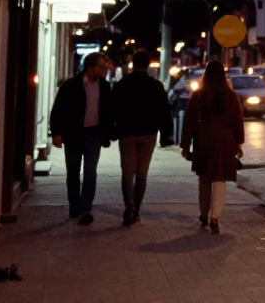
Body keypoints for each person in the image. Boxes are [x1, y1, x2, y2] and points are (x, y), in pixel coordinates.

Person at [110, 49, 173, 226]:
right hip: (148, 133)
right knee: (142, 173)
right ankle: (136, 209)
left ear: (133, 63)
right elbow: (164, 111)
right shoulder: (156, 86)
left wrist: (111, 131)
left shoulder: (122, 84)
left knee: (127, 172)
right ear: (148, 65)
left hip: (127, 133)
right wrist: (166, 134)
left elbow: (112, 109)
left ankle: (128, 205)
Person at [181, 59, 244, 234]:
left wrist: (185, 145)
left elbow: (189, 122)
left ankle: (203, 215)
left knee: (204, 179)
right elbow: (237, 121)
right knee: (219, 180)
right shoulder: (230, 96)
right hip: (225, 142)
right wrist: (238, 143)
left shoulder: (199, 96)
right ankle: (215, 218)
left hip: (204, 141)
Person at [48, 52, 112, 225]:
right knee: (73, 173)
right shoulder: (71, 85)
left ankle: (86, 209)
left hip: (94, 135)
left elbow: (108, 111)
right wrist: (56, 134)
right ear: (90, 67)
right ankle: (74, 207)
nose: (103, 70)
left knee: (91, 173)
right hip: (74, 135)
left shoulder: (105, 87)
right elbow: (58, 109)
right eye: (100, 67)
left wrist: (108, 133)